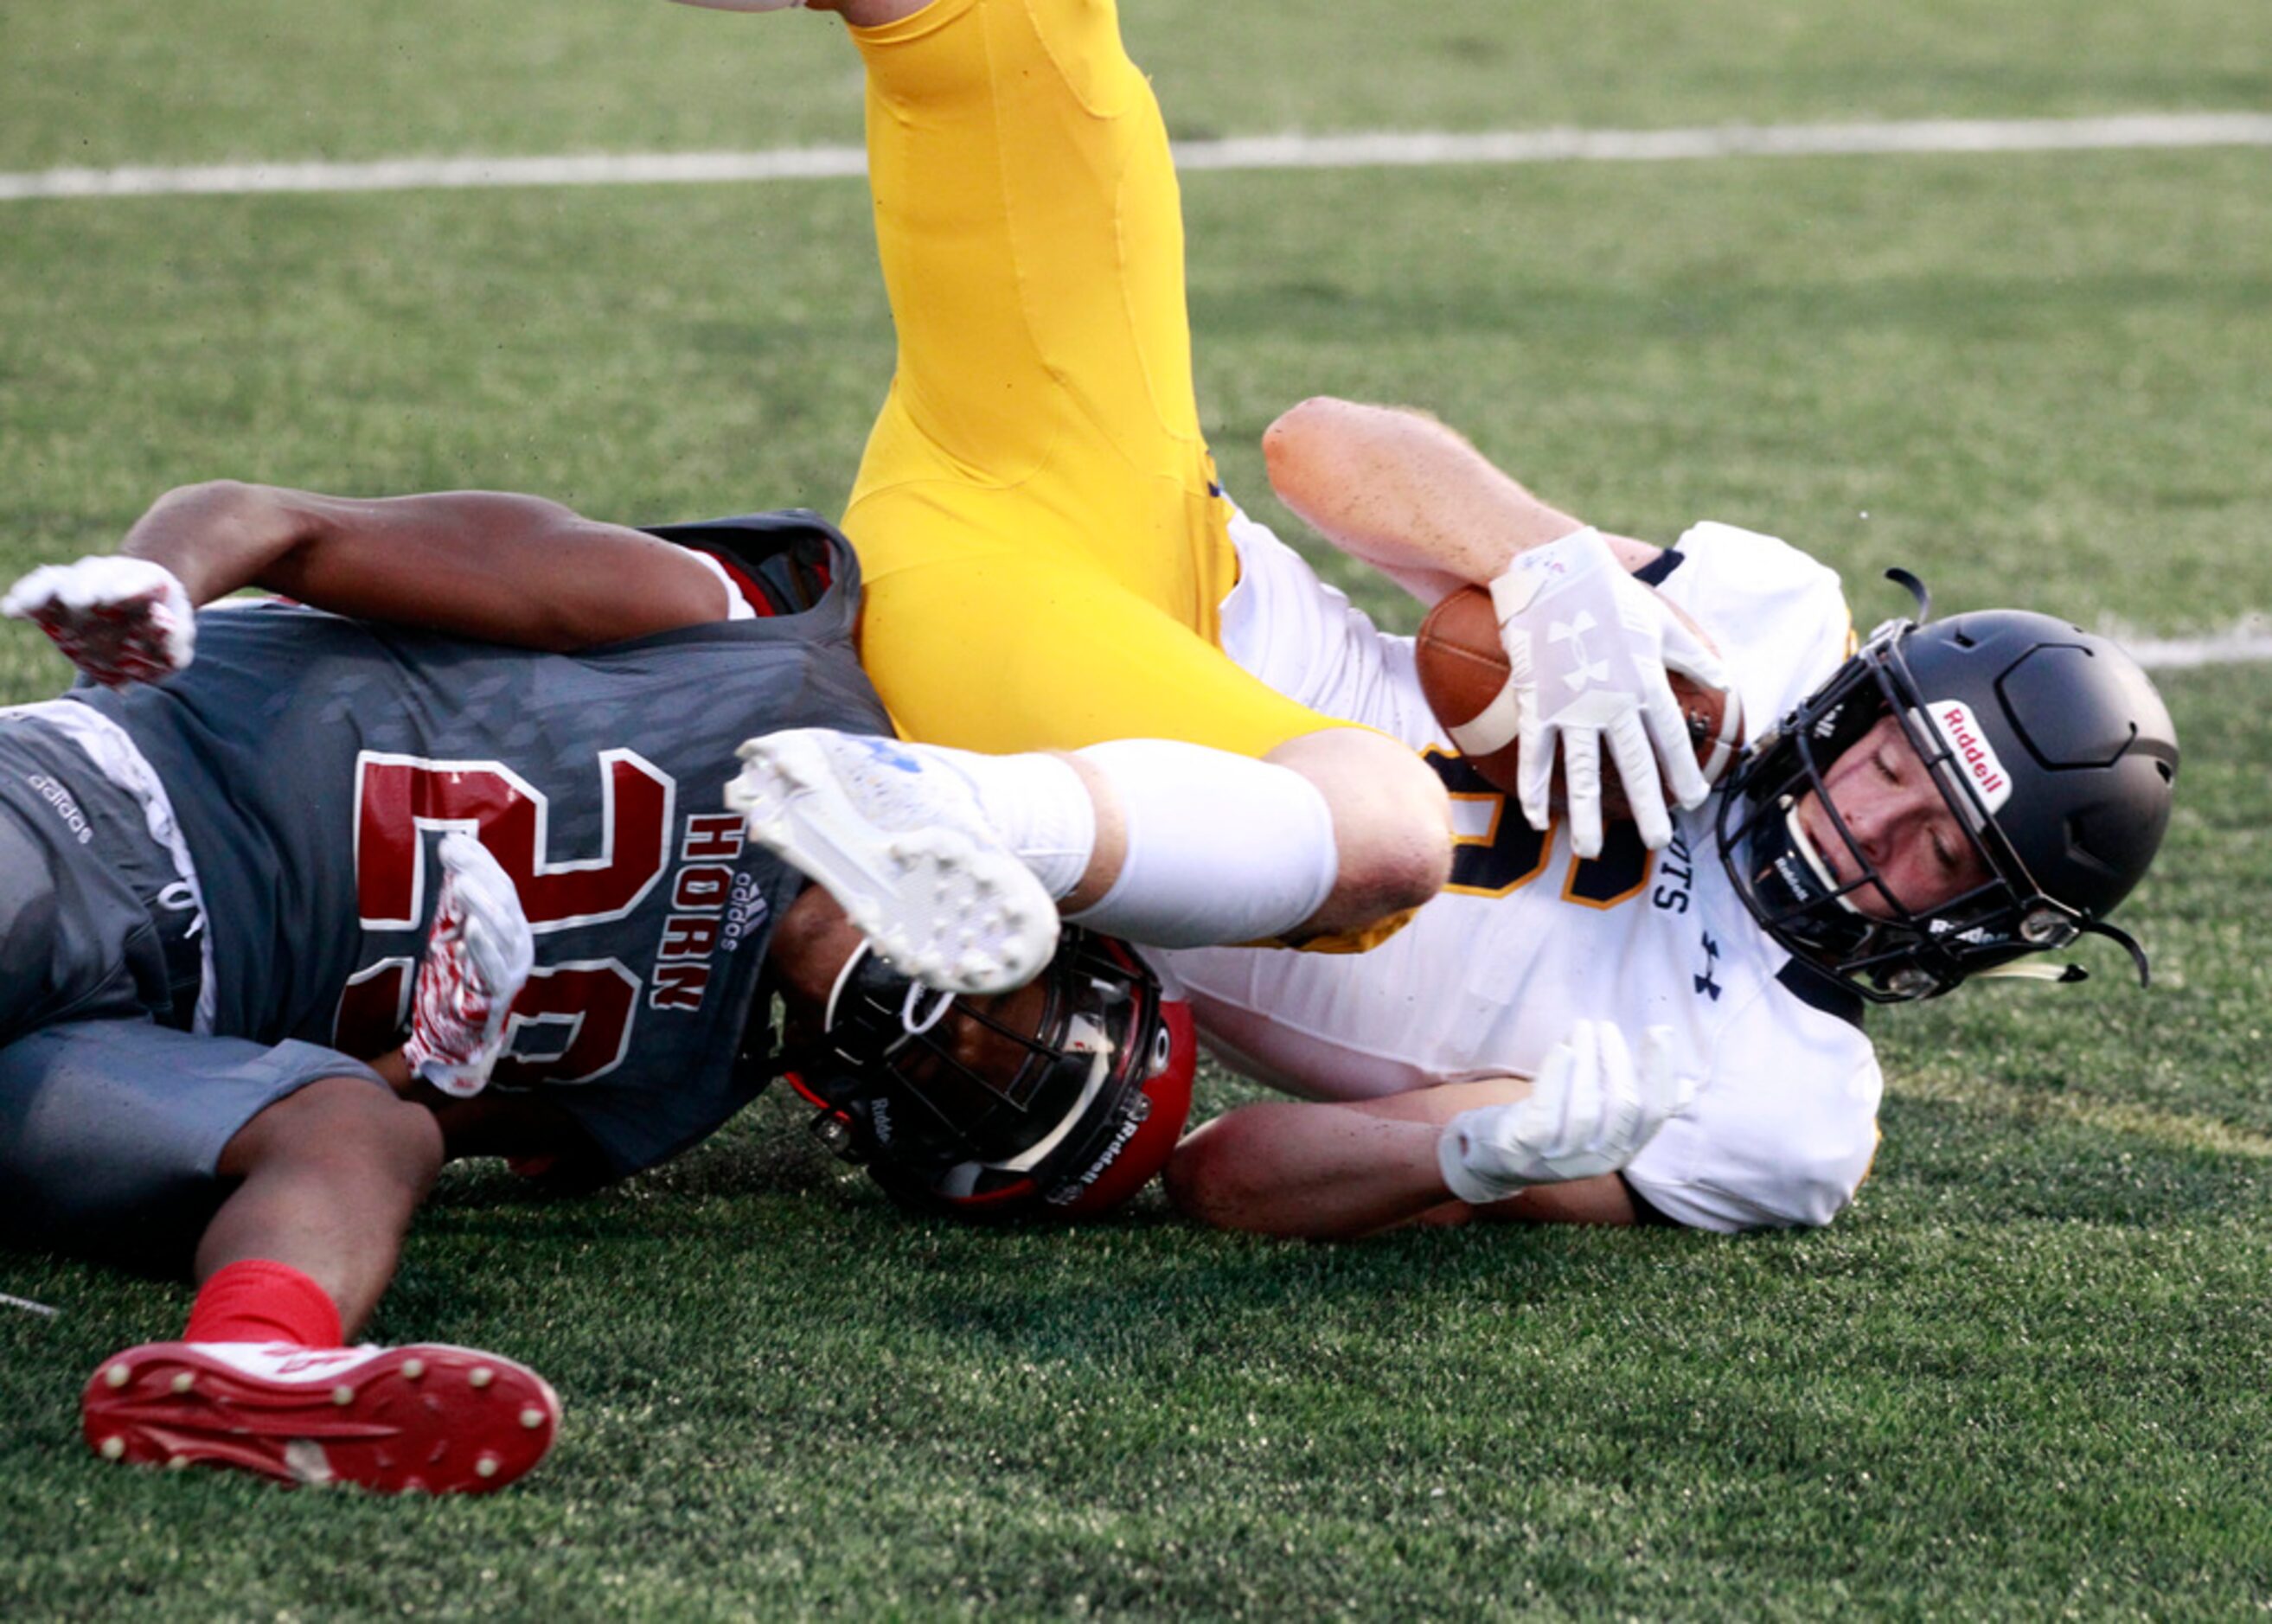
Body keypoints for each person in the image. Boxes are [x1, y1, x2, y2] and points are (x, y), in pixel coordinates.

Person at [672, 0, 2180, 1233]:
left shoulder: (1781, 1109)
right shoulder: (1761, 635)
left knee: (1384, 830)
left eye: (1939, 852)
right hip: (1109, 529)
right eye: (1900, 772)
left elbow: (1222, 1177)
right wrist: (1549, 562)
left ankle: (931, 809)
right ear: (1866, 700)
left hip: (1047, 721)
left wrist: (1477, 1154)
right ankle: (906, 805)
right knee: (1013, 27)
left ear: (1978, 935)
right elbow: (1315, 446)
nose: (1876, 827)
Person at [0, 480, 1211, 1494]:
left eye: (974, 1087)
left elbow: (380, 1113)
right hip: (94, 819)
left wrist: (433, 1055)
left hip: (141, 1044)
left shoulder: (674, 1087)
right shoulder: (732, 640)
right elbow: (276, 522)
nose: (948, 1028)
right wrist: (153, 580)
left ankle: (251, 1368)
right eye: (1009, 1013)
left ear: (896, 1128)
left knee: (361, 1138)